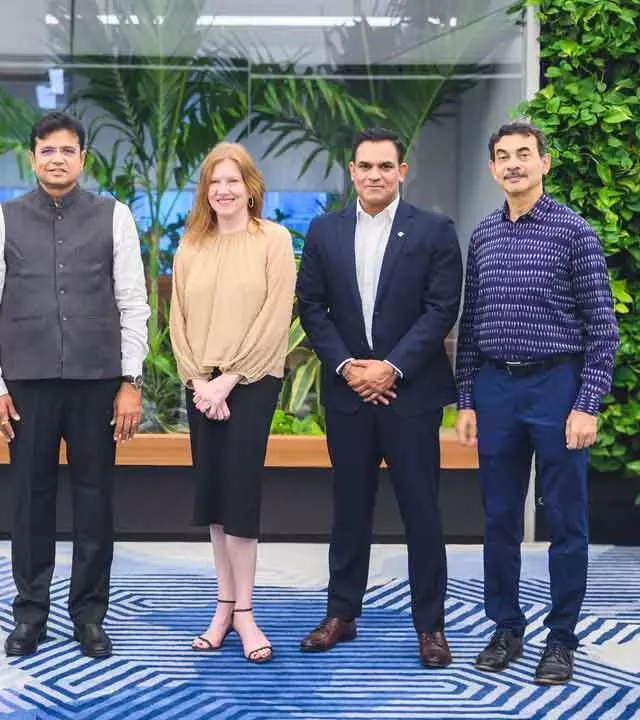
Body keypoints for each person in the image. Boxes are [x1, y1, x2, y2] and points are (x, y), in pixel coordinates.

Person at [0, 110, 149, 659]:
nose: (57, 159)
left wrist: (130, 381)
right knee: (30, 503)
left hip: (97, 383)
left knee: (95, 503)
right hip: (27, 386)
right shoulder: (3, 219)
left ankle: (90, 616)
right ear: (33, 156)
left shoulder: (115, 217)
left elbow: (134, 304)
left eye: (68, 150)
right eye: (47, 150)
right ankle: (30, 614)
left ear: (82, 158)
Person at [456, 122, 619, 685]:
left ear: (545, 163)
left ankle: (561, 639)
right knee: (499, 518)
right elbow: (470, 325)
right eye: (503, 156)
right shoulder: (482, 237)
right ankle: (506, 626)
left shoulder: (575, 232)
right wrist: (467, 399)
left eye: (524, 154)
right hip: (496, 390)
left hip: (557, 386)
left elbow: (603, 329)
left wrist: (587, 402)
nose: (513, 164)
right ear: (492, 169)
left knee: (566, 520)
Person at [295, 127, 463, 669]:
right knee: (349, 510)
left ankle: (430, 627)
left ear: (401, 171)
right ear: (351, 171)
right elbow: (312, 306)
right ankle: (341, 613)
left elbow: (441, 308)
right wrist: (348, 367)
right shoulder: (324, 231)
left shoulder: (434, 230)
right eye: (365, 166)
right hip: (348, 396)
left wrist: (390, 368)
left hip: (409, 396)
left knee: (422, 513)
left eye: (385, 167)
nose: (374, 175)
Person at [169, 143, 295, 663]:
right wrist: (201, 382)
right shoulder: (190, 244)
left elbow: (274, 318)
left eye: (232, 181)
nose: (223, 190)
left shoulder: (274, 240)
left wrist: (229, 381)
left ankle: (245, 612)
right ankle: (223, 606)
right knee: (215, 502)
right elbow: (177, 319)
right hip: (202, 388)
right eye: (214, 182)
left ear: (251, 188)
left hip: (251, 384)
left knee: (240, 501)